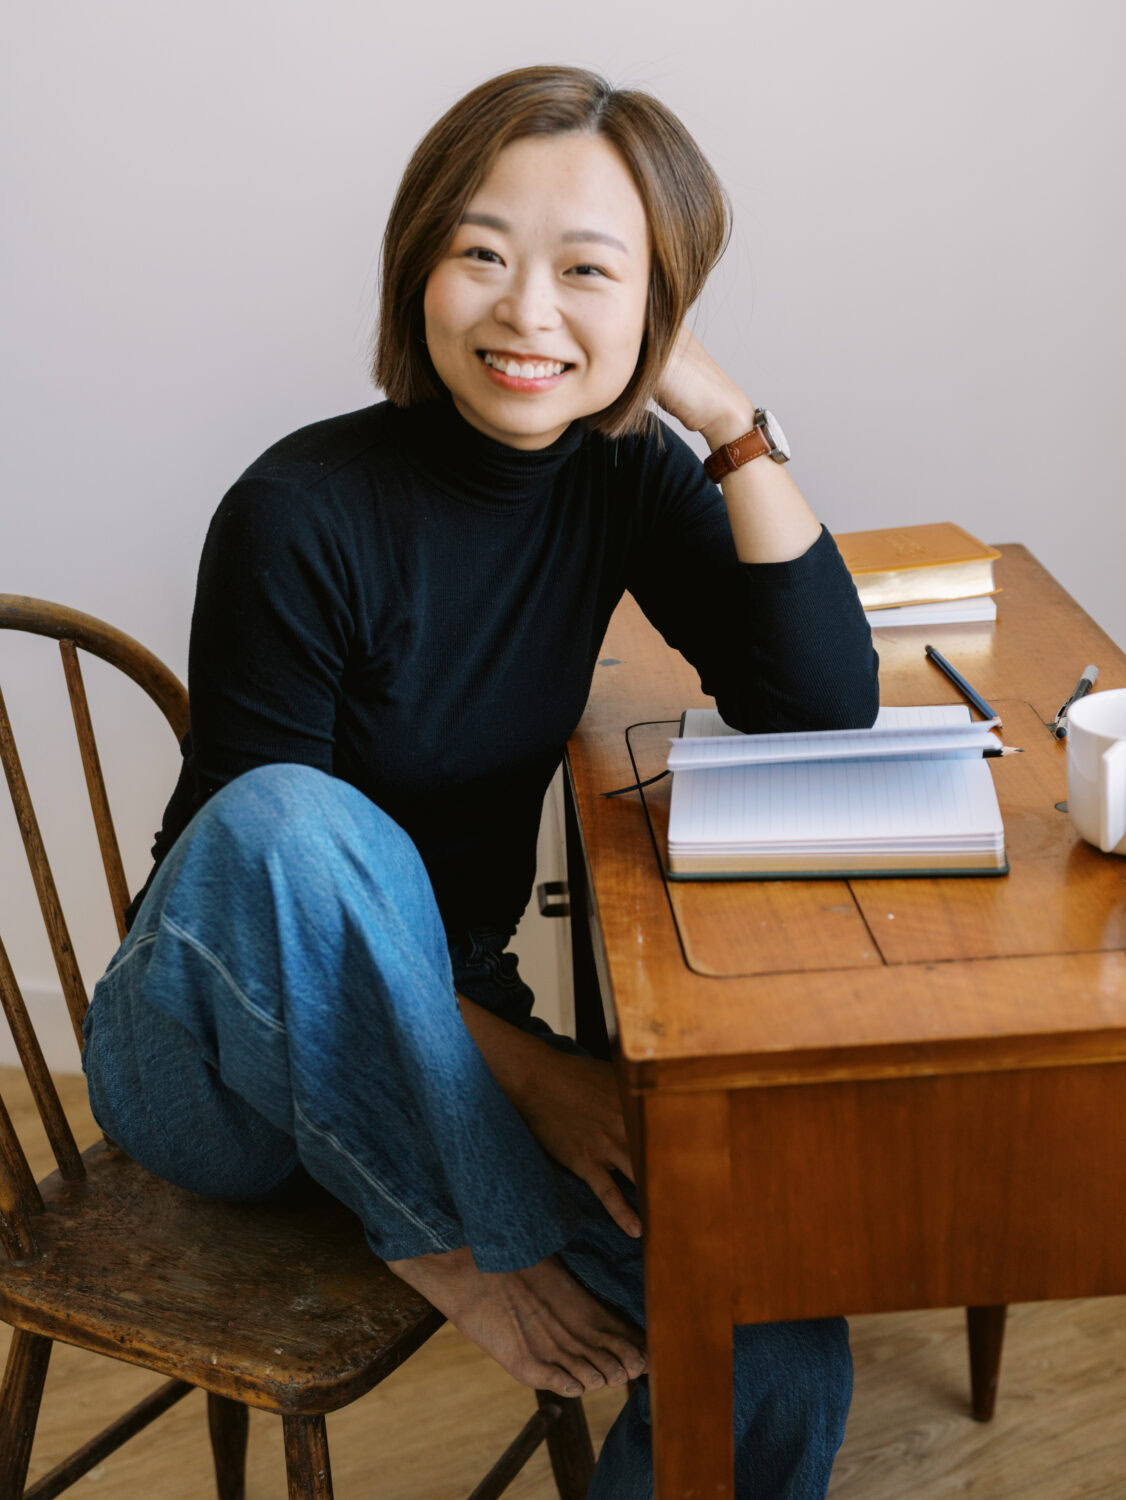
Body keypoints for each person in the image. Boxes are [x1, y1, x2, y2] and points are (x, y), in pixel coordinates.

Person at [82, 64, 879, 1497]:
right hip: (217, 1052)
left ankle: (463, 1200)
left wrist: (722, 414)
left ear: (655, 304)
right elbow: (257, 874)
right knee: (296, 822)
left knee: (770, 1338)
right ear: (419, 270)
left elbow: (818, 706)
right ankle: (459, 1249)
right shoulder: (295, 511)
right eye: (481, 255)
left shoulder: (619, 476)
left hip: (443, 1023)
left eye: (588, 272)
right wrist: (533, 1081)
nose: (526, 312)